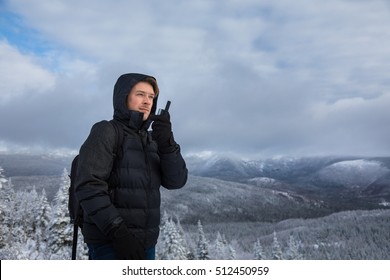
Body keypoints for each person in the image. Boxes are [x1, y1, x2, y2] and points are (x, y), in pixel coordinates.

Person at [74, 73, 188, 260]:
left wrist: (167, 143)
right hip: (110, 244)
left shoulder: (151, 139)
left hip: (146, 244)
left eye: (151, 97)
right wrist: (119, 233)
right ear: (123, 97)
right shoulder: (106, 131)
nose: (147, 101)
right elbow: (88, 186)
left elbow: (176, 181)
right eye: (140, 94)